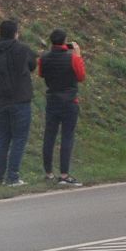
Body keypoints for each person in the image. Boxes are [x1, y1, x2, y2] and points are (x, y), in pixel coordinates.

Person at [0, 18, 36, 186]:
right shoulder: (22, 49)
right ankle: (13, 176)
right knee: (19, 138)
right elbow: (32, 65)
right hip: (20, 100)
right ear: (15, 33)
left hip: (0, 101)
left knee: (2, 137)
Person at [38, 28, 86, 186]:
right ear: (65, 41)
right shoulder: (71, 58)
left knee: (49, 136)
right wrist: (78, 54)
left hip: (52, 100)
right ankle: (64, 174)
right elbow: (81, 76)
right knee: (67, 136)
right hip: (69, 101)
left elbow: (41, 74)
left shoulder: (44, 58)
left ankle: (48, 172)